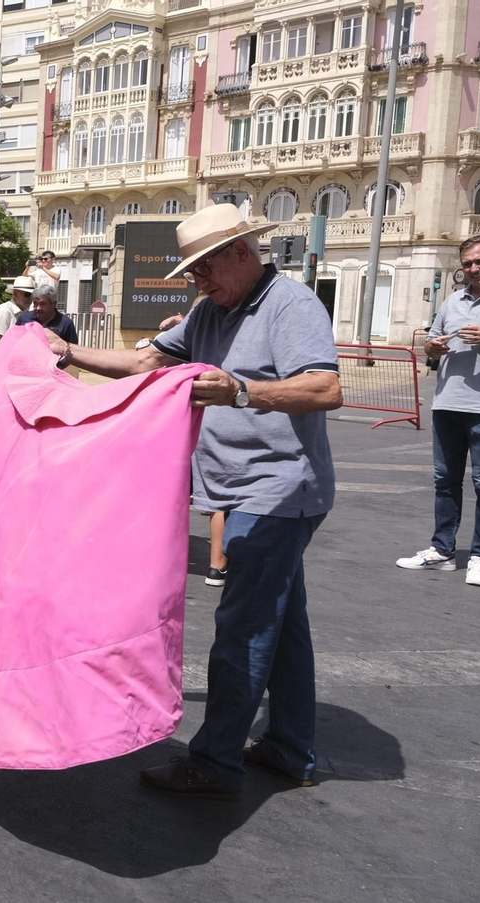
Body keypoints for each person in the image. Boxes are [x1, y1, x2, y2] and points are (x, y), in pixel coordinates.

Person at [46, 203, 342, 798]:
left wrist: (242, 392)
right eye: (192, 271)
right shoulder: (209, 312)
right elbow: (144, 360)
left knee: (244, 629)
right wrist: (67, 352)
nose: (197, 280)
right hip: (241, 490)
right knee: (282, 629)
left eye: (205, 266)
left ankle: (214, 763)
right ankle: (289, 748)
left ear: (242, 252)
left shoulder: (291, 304)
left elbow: (326, 387)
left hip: (279, 490)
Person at [398, 235, 480, 585]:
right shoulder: (452, 301)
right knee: (445, 482)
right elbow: (429, 346)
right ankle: (442, 551)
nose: (473, 269)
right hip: (448, 404)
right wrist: (432, 346)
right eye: (468, 263)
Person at [0, 274, 33, 354]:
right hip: (3, 363)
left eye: (32, 295)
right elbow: (2, 343)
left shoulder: (25, 313)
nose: (30, 299)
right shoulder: (4, 311)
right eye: (27, 294)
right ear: (16, 293)